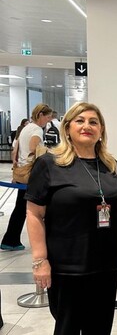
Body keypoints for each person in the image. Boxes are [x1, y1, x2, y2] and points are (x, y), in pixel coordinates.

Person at [25, 103, 117, 335]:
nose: (87, 125)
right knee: (67, 330)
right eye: (80, 120)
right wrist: (41, 261)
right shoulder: (49, 164)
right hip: (67, 264)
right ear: (67, 127)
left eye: (94, 121)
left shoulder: (110, 166)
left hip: (106, 263)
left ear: (101, 129)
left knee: (100, 327)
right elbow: (34, 215)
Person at [1, 104, 53, 251]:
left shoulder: (26, 128)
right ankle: (12, 240)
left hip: (22, 173)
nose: (47, 121)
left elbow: (15, 150)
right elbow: (33, 148)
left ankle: (10, 239)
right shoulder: (36, 129)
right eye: (47, 117)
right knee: (37, 208)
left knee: (20, 207)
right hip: (32, 174)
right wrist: (48, 152)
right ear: (41, 115)